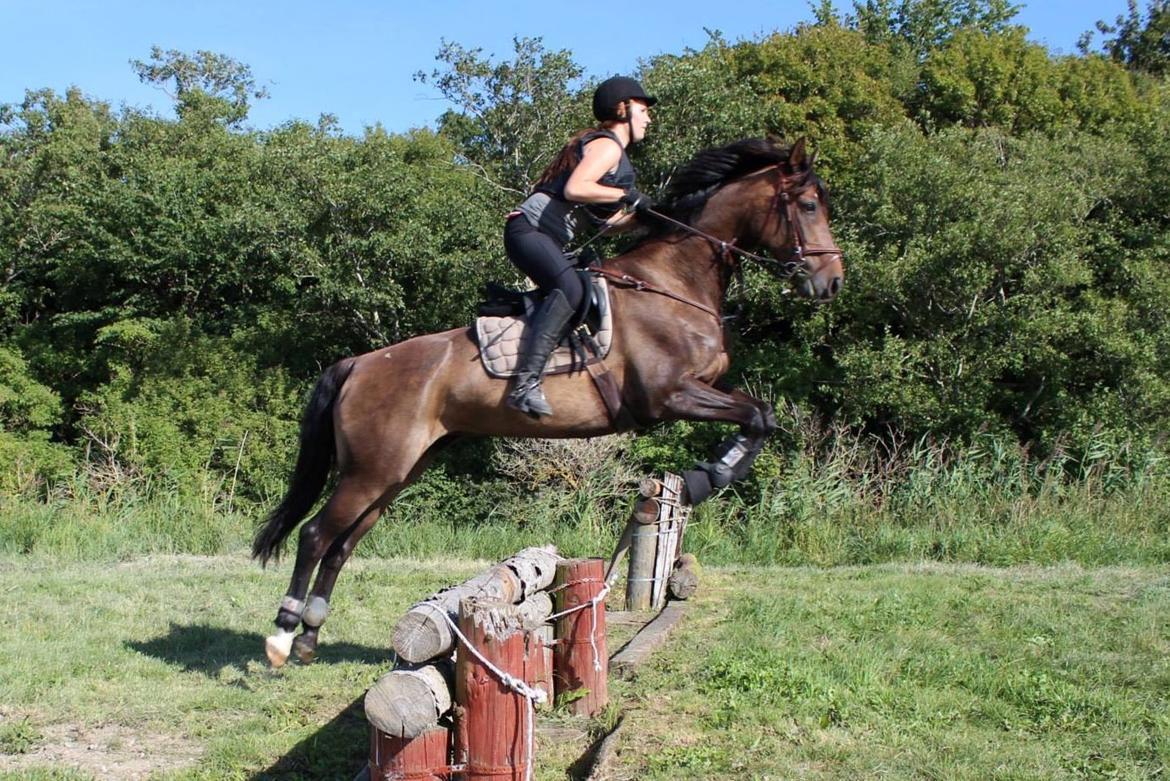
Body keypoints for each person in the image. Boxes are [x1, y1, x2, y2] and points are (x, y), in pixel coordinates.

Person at [504, 75, 657, 417]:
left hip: (546, 238)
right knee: (571, 288)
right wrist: (627, 196)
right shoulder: (608, 146)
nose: (649, 118)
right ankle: (525, 384)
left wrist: (649, 219)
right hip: (529, 231)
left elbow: (606, 225)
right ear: (623, 109)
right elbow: (576, 188)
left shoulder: (617, 159)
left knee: (588, 291)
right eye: (644, 110)